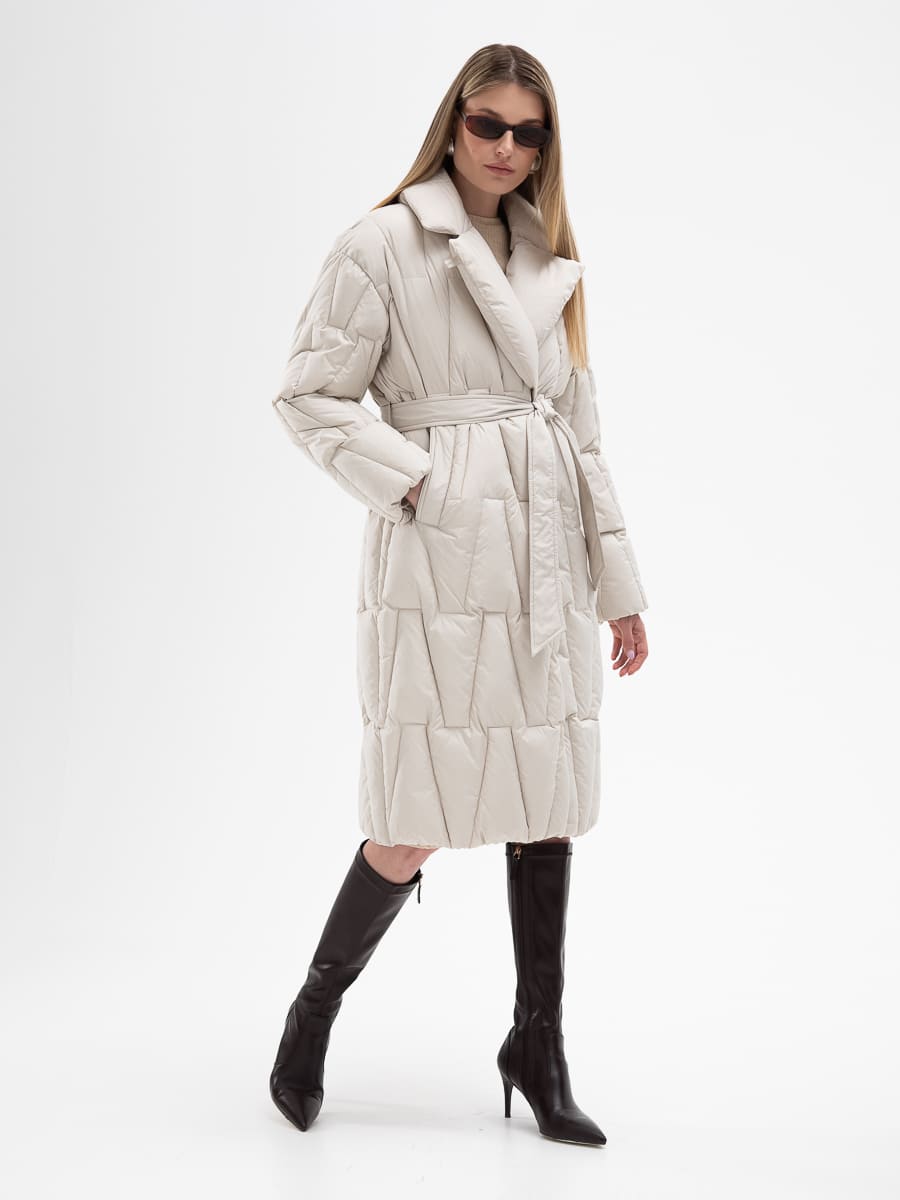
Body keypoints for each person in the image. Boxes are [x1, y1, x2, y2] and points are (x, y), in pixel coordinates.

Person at [267, 43, 650, 1146]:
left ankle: (539, 1044)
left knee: (545, 804)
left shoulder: (547, 254)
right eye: (488, 124)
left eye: (529, 132)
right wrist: (419, 480)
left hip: (544, 561)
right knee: (410, 819)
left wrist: (619, 588)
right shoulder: (383, 243)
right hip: (438, 561)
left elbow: (579, 435)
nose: (506, 148)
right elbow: (308, 395)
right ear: (453, 123)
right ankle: (312, 1015)